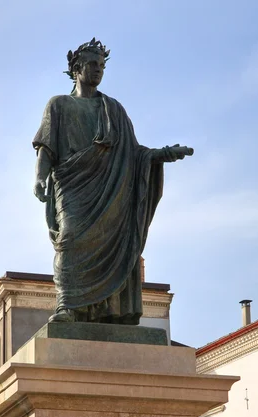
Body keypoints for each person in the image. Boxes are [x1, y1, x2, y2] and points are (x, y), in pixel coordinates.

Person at [33, 39, 192, 324]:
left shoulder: (113, 110)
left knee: (113, 242)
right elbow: (46, 147)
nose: (98, 70)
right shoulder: (59, 105)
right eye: (93, 64)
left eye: (102, 65)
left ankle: (108, 311)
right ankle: (67, 305)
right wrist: (39, 178)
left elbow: (133, 153)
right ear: (76, 69)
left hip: (112, 193)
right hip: (73, 186)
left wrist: (165, 153)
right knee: (69, 238)